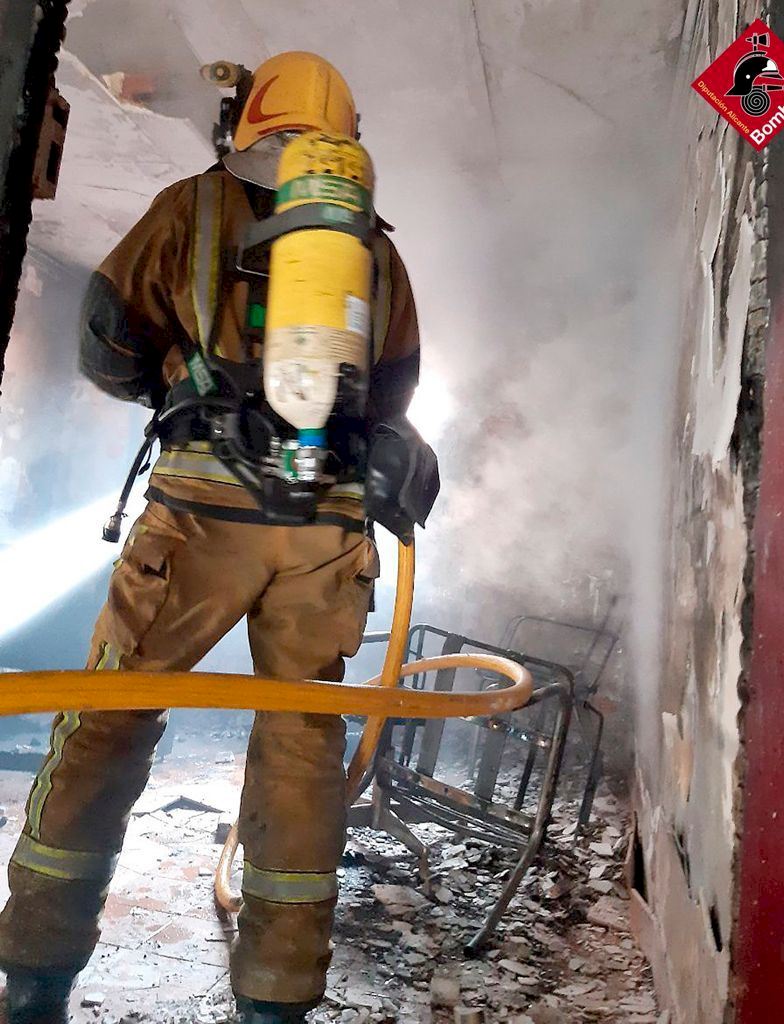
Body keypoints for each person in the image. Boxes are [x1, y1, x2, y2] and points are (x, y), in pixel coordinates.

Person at [0, 51, 430, 1024]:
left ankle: (37, 971)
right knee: (301, 742)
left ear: (248, 117)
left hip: (198, 513)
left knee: (105, 720)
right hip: (324, 529)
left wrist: (188, 386)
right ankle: (275, 996)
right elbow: (395, 388)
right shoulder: (374, 248)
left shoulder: (190, 208)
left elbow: (106, 340)